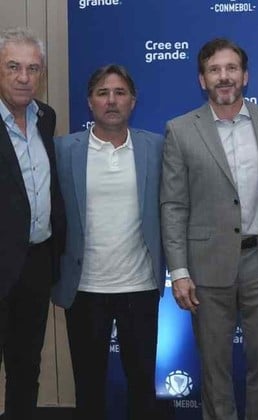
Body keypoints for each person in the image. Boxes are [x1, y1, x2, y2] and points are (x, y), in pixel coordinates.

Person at [160, 38, 258, 420]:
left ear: (245, 76)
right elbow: (173, 204)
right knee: (214, 366)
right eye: (214, 70)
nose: (224, 76)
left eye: (231, 68)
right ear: (202, 80)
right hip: (206, 264)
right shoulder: (180, 130)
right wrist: (178, 271)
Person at [53, 64, 165, 420]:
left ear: (133, 100)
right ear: (90, 102)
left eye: (120, 93)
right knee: (88, 388)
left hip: (140, 286)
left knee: (143, 387)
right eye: (103, 93)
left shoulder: (156, 147)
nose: (111, 100)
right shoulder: (64, 150)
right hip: (84, 289)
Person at [0, 26, 66, 419]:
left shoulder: (45, 117)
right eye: (13, 67)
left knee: (26, 367)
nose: (24, 77)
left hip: (36, 264)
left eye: (33, 69)